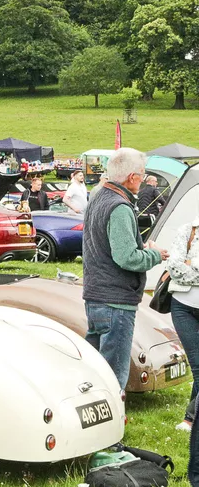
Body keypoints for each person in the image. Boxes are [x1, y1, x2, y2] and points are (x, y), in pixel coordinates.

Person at [82, 149, 168, 390]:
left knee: (94, 376)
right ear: (132, 177)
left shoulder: (98, 196)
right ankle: (114, 425)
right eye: (142, 174)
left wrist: (140, 247)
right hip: (115, 302)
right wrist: (154, 254)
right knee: (112, 380)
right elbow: (126, 258)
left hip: (95, 296)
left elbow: (105, 246)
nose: (143, 179)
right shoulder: (119, 206)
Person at [166, 216, 199, 437]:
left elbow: (184, 267)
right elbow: (174, 267)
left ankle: (190, 419)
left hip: (186, 295)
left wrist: (191, 265)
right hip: (183, 306)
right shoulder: (187, 230)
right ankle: (190, 420)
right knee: (198, 367)